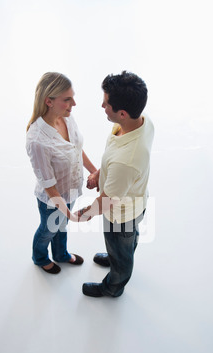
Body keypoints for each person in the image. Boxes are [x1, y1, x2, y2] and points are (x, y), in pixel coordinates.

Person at [75, 71, 154, 297]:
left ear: (122, 113)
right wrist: (100, 173)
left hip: (120, 215)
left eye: (106, 103)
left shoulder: (126, 162)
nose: (102, 106)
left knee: (121, 247)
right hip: (135, 200)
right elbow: (116, 161)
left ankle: (113, 286)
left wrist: (83, 213)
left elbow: (106, 202)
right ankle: (118, 255)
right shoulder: (142, 122)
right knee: (128, 242)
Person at [26, 72, 97, 274]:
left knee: (61, 225)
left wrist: (95, 172)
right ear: (49, 101)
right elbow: (48, 186)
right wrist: (71, 216)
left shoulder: (66, 117)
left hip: (70, 190)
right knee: (48, 229)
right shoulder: (37, 140)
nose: (73, 103)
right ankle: (40, 257)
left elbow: (76, 147)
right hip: (52, 198)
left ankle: (60, 254)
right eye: (67, 99)